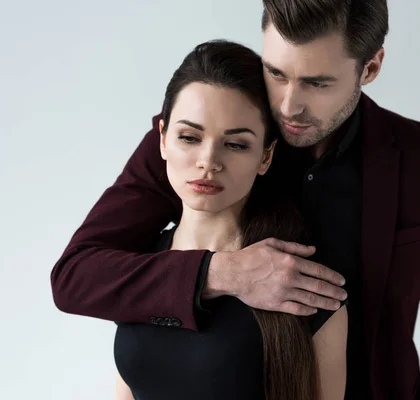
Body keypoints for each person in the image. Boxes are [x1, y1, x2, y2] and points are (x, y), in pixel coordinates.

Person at [51, 1, 420, 399]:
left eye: (317, 83)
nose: (289, 106)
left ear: (370, 67)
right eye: (276, 72)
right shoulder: (210, 136)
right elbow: (77, 276)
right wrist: (223, 273)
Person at [111, 40, 347, 400]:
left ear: (266, 157)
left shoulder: (302, 284)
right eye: (189, 137)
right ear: (161, 139)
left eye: (235, 144)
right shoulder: (139, 264)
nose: (208, 161)